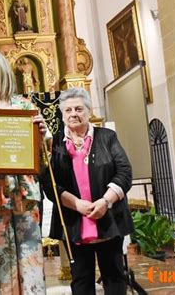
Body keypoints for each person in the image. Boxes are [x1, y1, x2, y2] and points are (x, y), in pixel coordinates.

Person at [41, 87, 133, 295]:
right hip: (74, 221)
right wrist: (76, 204)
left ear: (88, 111)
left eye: (79, 109)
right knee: (81, 280)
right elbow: (49, 183)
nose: (73, 113)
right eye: (68, 110)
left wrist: (105, 201)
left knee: (114, 277)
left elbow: (125, 172)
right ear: (62, 115)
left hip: (108, 218)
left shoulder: (107, 137)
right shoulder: (54, 144)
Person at [0, 51, 48, 294]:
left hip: (26, 194)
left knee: (31, 258)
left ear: (1, 70)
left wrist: (44, 135)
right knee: (0, 265)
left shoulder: (25, 106)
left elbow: (43, 156)